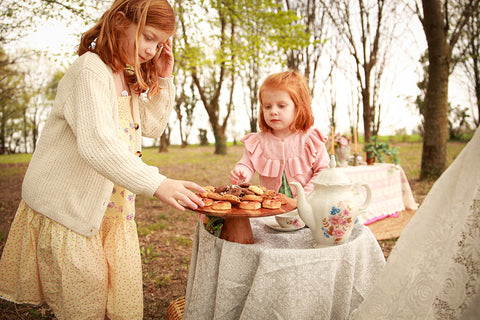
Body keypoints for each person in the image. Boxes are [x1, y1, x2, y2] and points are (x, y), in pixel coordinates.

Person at [0, 0, 204, 319]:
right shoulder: (90, 70)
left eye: (160, 43)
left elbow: (153, 126)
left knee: (114, 305)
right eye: (148, 37)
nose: (152, 50)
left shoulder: (125, 76)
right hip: (69, 210)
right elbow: (97, 144)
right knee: (86, 304)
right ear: (121, 21)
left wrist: (164, 79)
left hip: (112, 213)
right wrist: (158, 183)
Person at [229, 71, 330, 198]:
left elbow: (323, 172)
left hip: (306, 210)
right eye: (267, 106)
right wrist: (241, 172)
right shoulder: (258, 142)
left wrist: (302, 198)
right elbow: (246, 164)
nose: (273, 111)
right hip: (270, 209)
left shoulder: (310, 139)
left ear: (298, 107)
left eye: (281, 106)